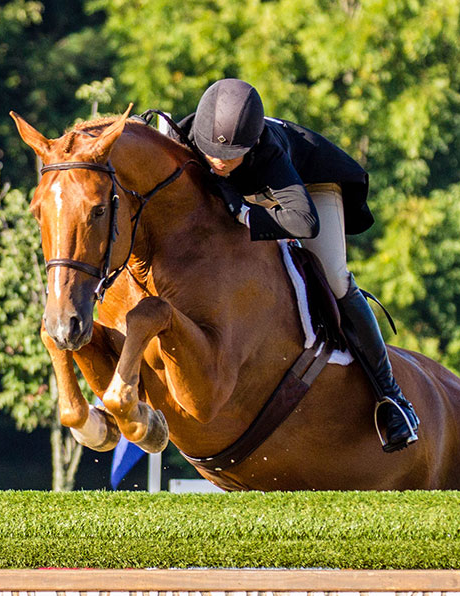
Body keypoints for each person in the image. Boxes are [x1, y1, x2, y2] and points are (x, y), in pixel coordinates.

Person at [178, 78, 419, 453]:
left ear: (253, 144)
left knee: (336, 278)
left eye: (231, 154)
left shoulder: (270, 155)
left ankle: (392, 399)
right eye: (211, 151)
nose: (219, 161)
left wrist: (244, 214)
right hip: (258, 191)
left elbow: (304, 222)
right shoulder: (191, 133)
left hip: (309, 188)